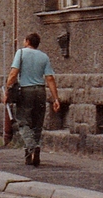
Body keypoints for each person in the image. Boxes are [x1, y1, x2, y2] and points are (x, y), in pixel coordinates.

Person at [4, 33, 61, 167]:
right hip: (40, 91)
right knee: (37, 124)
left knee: (23, 122)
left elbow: (13, 74)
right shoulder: (44, 57)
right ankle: (30, 157)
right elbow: (50, 78)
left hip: (25, 91)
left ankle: (32, 146)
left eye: (24, 40)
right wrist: (55, 99)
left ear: (28, 41)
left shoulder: (21, 53)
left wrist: (7, 91)